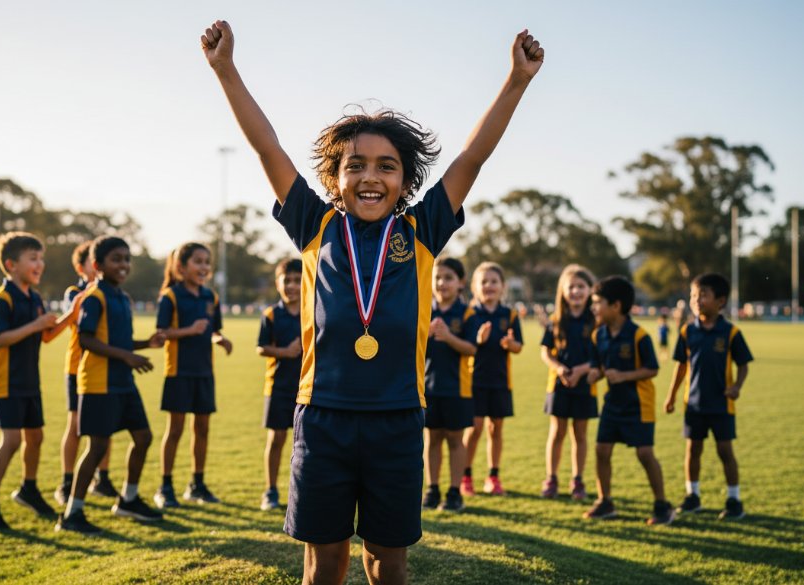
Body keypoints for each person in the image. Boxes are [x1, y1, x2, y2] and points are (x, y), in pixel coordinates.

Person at [201, 18, 543, 585]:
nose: (369, 177)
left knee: (388, 561)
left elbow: (471, 159)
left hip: (397, 421)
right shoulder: (313, 224)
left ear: (404, 180)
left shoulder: (423, 229)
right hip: (323, 419)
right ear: (334, 179)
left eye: (387, 166)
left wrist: (516, 81)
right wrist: (226, 70)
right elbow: (267, 146)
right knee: (323, 562)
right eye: (354, 165)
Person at [56, 236, 165, 534]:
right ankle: (72, 514)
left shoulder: (121, 298)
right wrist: (128, 356)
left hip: (122, 382)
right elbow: (87, 340)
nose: (124, 265)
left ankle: (128, 499)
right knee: (97, 447)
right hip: (97, 384)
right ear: (97, 265)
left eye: (127, 259)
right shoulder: (94, 297)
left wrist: (146, 344)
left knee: (143, 437)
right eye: (116, 259)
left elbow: (118, 341)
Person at [0, 232, 75, 531]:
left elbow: (46, 335)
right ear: (11, 264)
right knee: (12, 440)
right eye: (33, 258)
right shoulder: (2, 300)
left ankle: (28, 489)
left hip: (28, 381)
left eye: (41, 258)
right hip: (5, 382)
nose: (40, 264)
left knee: (36, 438)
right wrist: (36, 325)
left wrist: (71, 316)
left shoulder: (34, 297)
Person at [584, 276, 675, 525]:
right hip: (612, 403)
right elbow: (597, 366)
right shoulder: (597, 336)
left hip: (638, 404)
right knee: (601, 450)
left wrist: (624, 376)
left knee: (645, 454)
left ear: (616, 306)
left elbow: (652, 369)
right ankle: (605, 502)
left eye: (597, 302)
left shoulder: (638, 336)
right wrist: (594, 374)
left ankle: (662, 505)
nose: (593, 308)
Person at [664, 273, 753, 520]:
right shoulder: (686, 332)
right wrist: (671, 396)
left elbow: (744, 364)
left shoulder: (730, 332)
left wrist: (737, 386)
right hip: (693, 404)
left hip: (721, 404)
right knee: (693, 450)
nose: (697, 300)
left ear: (720, 300)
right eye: (694, 295)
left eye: (703, 294)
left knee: (725, 451)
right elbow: (680, 367)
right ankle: (692, 496)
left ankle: (734, 500)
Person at [153, 242, 233, 509]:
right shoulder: (171, 297)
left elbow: (213, 330)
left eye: (207, 262)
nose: (204, 267)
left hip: (204, 372)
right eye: (198, 261)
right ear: (180, 267)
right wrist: (188, 330)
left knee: (202, 429)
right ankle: (165, 486)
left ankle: (197, 484)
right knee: (175, 430)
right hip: (178, 372)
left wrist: (220, 339)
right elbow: (161, 334)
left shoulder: (211, 298)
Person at [54, 241, 117, 506]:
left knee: (106, 425)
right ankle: (67, 482)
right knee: (76, 425)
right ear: (85, 267)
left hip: (104, 366)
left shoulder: (111, 293)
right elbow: (76, 317)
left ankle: (102, 478)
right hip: (78, 368)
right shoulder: (75, 292)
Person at [462, 262, 523, 497]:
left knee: (496, 429)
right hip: (474, 380)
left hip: (500, 381)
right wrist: (478, 339)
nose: (489, 286)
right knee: (475, 429)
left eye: (494, 281)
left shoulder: (510, 315)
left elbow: (518, 346)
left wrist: (511, 344)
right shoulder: (470, 314)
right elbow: (467, 345)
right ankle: (466, 476)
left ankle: (493, 476)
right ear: (475, 287)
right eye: (484, 282)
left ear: (503, 286)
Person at [422, 258, 478, 512]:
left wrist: (448, 337)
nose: (441, 283)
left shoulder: (467, 313)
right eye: (437, 278)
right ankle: (432, 489)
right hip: (427, 388)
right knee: (432, 438)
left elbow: (472, 348)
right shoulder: (423, 309)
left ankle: (455, 493)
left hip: (457, 388)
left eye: (448, 278)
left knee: (455, 439)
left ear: (460, 283)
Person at [539, 264, 597, 501]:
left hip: (585, 385)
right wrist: (560, 368)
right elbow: (546, 352)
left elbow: (599, 355)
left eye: (581, 286)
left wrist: (582, 370)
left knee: (580, 435)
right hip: (559, 385)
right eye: (571, 286)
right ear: (563, 291)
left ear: (590, 290)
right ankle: (551, 479)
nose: (576, 291)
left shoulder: (596, 320)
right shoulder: (556, 320)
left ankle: (578, 480)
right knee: (557, 432)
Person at [256, 258, 303, 511]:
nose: (292, 286)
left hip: (306, 389)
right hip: (277, 387)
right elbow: (261, 348)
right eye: (288, 280)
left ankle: (301, 490)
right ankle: (270, 490)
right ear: (278, 283)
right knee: (277, 439)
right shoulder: (271, 314)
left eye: (298, 280)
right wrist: (284, 352)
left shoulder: (312, 311)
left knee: (304, 444)